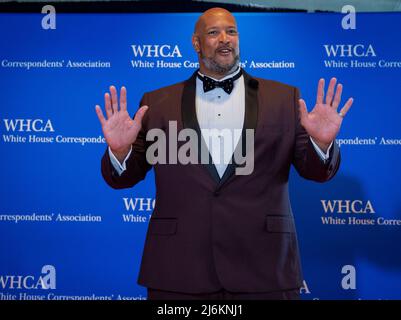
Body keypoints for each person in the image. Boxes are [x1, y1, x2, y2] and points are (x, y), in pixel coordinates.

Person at [95, 7, 353, 300]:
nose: (225, 39)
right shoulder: (157, 103)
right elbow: (124, 178)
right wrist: (119, 150)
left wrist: (321, 144)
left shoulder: (284, 98)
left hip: (265, 269)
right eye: (214, 32)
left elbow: (315, 172)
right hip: (180, 272)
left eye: (231, 31)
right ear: (196, 43)